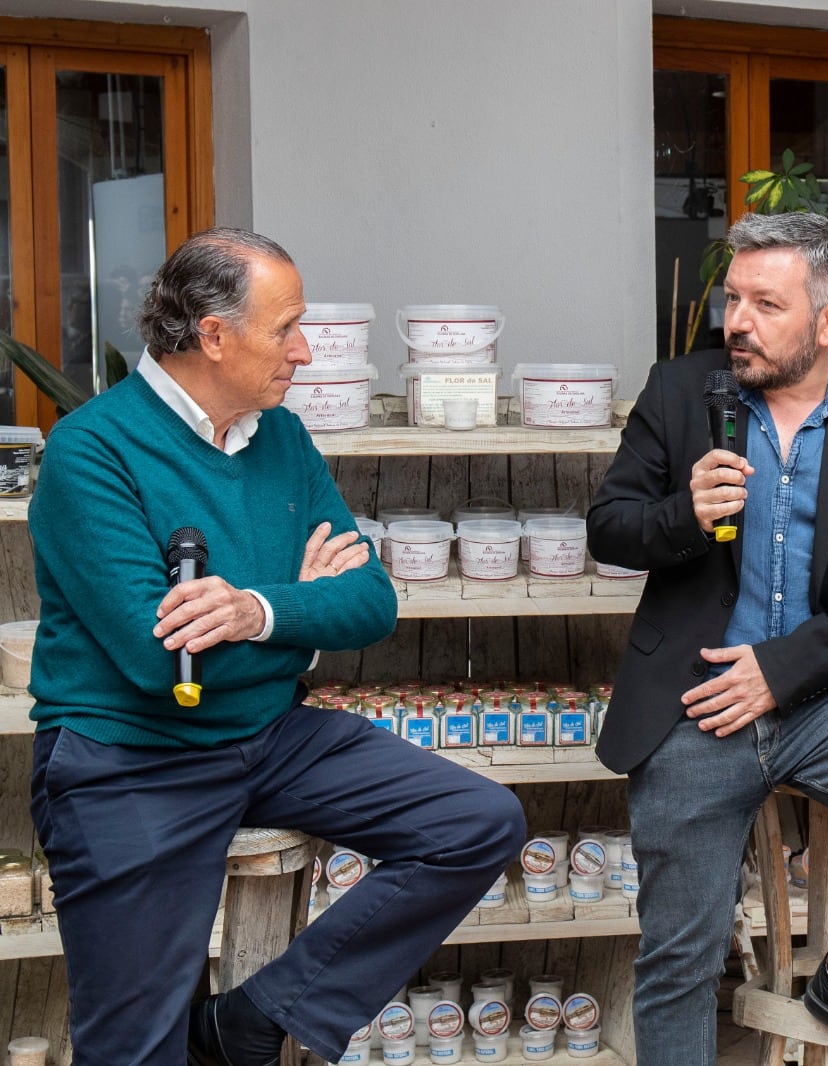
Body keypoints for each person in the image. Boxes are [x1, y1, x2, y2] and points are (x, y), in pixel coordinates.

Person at [27, 228, 526, 1066]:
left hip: (270, 737)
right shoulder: (92, 450)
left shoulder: (281, 437)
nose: (305, 351)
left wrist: (257, 612)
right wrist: (303, 623)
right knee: (134, 1051)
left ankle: (254, 1019)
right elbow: (162, 663)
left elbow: (370, 604)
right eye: (287, 327)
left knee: (476, 823)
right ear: (213, 336)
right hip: (131, 756)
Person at [588, 211, 828, 1066]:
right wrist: (682, 517)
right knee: (678, 958)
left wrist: (782, 669)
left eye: (767, 303)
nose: (737, 321)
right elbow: (609, 528)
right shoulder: (678, 391)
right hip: (695, 699)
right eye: (733, 298)